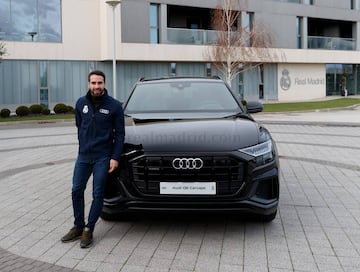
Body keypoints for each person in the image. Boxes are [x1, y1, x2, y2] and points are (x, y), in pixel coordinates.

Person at [61, 70, 125, 248]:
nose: (97, 86)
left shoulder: (114, 106)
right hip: (83, 156)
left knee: (98, 194)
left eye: (100, 83)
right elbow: (79, 125)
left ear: (105, 84)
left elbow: (120, 135)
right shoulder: (81, 103)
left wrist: (115, 157)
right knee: (76, 190)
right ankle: (78, 226)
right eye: (94, 83)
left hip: (103, 157)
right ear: (88, 84)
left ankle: (89, 229)